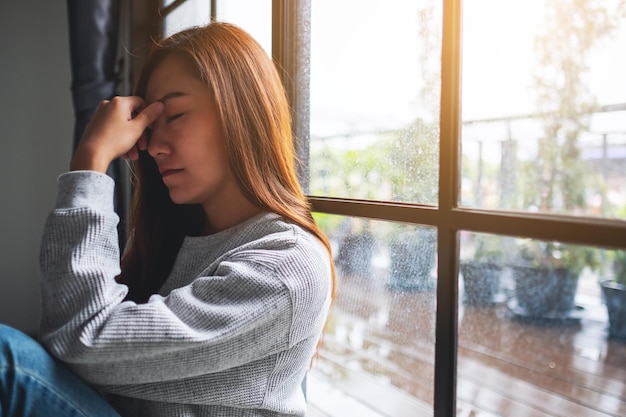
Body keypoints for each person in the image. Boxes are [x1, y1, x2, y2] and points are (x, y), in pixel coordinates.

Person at [0, 22, 335, 417]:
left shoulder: (286, 265)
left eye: (174, 115)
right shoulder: (177, 237)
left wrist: (90, 162)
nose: (154, 147)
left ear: (240, 111)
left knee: (9, 362)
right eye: (149, 127)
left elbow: (83, 339)